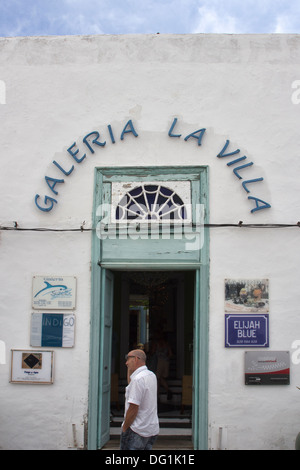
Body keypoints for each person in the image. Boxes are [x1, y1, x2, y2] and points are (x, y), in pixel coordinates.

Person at [120, 349, 159, 451]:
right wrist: (129, 369)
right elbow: (131, 383)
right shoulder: (151, 375)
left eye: (128, 359)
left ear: (136, 359)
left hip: (136, 429)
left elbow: (133, 408)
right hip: (150, 428)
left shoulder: (138, 380)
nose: (126, 362)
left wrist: (125, 427)